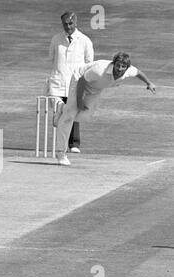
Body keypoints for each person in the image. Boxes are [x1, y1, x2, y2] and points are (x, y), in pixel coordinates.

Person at [53, 52, 156, 166]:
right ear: (113, 63)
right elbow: (82, 80)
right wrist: (79, 101)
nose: (120, 69)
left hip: (96, 88)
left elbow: (139, 73)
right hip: (79, 80)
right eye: (118, 65)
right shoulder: (99, 70)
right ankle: (61, 153)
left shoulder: (129, 71)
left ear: (127, 67)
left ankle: (61, 108)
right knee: (69, 116)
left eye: (123, 66)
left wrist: (149, 83)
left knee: (84, 116)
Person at [47, 11, 94, 153]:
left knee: (73, 112)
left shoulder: (85, 40)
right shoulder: (56, 39)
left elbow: (89, 62)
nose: (68, 27)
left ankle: (74, 144)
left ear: (76, 23)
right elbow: (51, 57)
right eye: (65, 24)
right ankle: (61, 145)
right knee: (60, 113)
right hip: (58, 81)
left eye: (70, 23)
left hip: (75, 82)